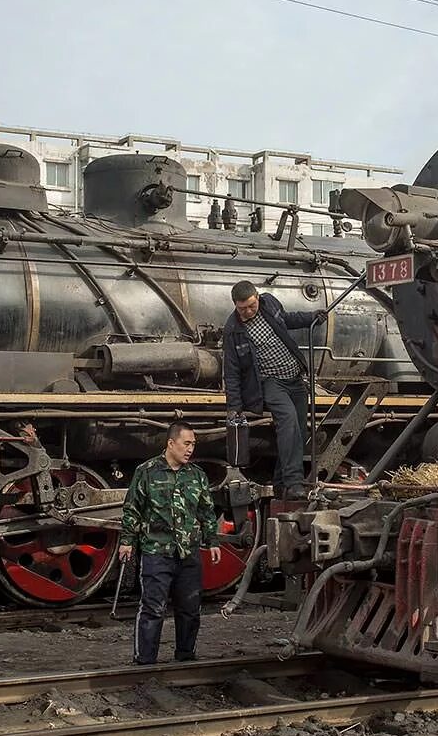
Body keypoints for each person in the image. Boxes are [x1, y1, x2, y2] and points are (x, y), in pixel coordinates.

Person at [118, 421, 221, 665]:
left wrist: (213, 541)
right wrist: (127, 541)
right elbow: (133, 508)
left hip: (189, 554)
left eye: (193, 444)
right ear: (170, 443)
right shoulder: (147, 471)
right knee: (153, 608)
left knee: (190, 609)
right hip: (156, 550)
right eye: (186, 444)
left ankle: (186, 658)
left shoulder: (197, 475)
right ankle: (144, 660)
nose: (190, 449)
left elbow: (207, 511)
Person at [222, 280, 327, 497]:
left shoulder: (269, 303)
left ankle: (280, 484)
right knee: (287, 422)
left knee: (298, 430)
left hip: (295, 378)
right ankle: (294, 482)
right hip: (270, 382)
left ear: (258, 298)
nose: (249, 311)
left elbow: (288, 319)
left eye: (251, 306)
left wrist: (312, 317)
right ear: (235, 305)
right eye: (243, 308)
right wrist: (234, 406)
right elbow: (231, 371)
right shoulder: (232, 330)